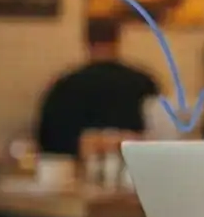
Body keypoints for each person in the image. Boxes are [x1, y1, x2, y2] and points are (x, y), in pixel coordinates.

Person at [35, 19, 160, 157]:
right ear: (117, 41)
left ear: (87, 42)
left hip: (76, 171)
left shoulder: (65, 87)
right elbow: (160, 133)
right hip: (132, 169)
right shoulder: (144, 83)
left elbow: (47, 140)